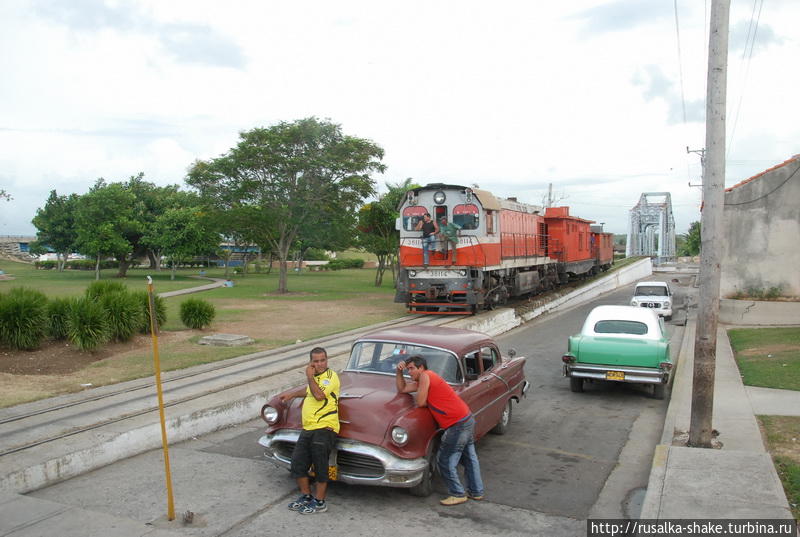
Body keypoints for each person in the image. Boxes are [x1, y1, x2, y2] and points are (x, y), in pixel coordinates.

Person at [395, 355, 484, 506]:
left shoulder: (425, 376)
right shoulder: (427, 378)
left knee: (445, 460)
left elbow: (421, 402)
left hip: (457, 424)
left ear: (421, 368)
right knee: (469, 458)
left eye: (411, 369)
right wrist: (399, 372)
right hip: (466, 418)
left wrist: (421, 392)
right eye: (407, 369)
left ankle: (457, 493)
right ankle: (476, 492)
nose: (409, 372)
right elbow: (403, 388)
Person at [280, 347, 340, 514]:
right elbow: (308, 391)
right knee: (298, 463)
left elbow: (319, 395)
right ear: (310, 362)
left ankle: (320, 502)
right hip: (308, 427)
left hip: (325, 428)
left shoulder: (331, 377)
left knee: (320, 466)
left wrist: (309, 376)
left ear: (327, 360)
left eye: (322, 360)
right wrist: (291, 395)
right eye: (316, 361)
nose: (320, 364)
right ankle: (306, 496)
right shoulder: (315, 378)